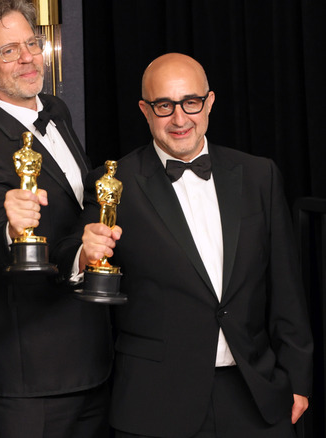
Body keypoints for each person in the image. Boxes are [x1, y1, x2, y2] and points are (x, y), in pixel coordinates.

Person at [79, 53, 313, 437]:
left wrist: (299, 378)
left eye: (191, 102)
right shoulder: (111, 184)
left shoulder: (259, 175)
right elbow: (78, 255)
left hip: (256, 397)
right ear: (144, 109)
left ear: (209, 103)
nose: (180, 119)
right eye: (164, 105)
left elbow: (286, 287)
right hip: (155, 403)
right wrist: (83, 254)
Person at [0, 0, 113, 436]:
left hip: (91, 359)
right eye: (8, 51)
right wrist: (10, 229)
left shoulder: (55, 110)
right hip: (24, 383)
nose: (28, 57)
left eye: (32, 43)